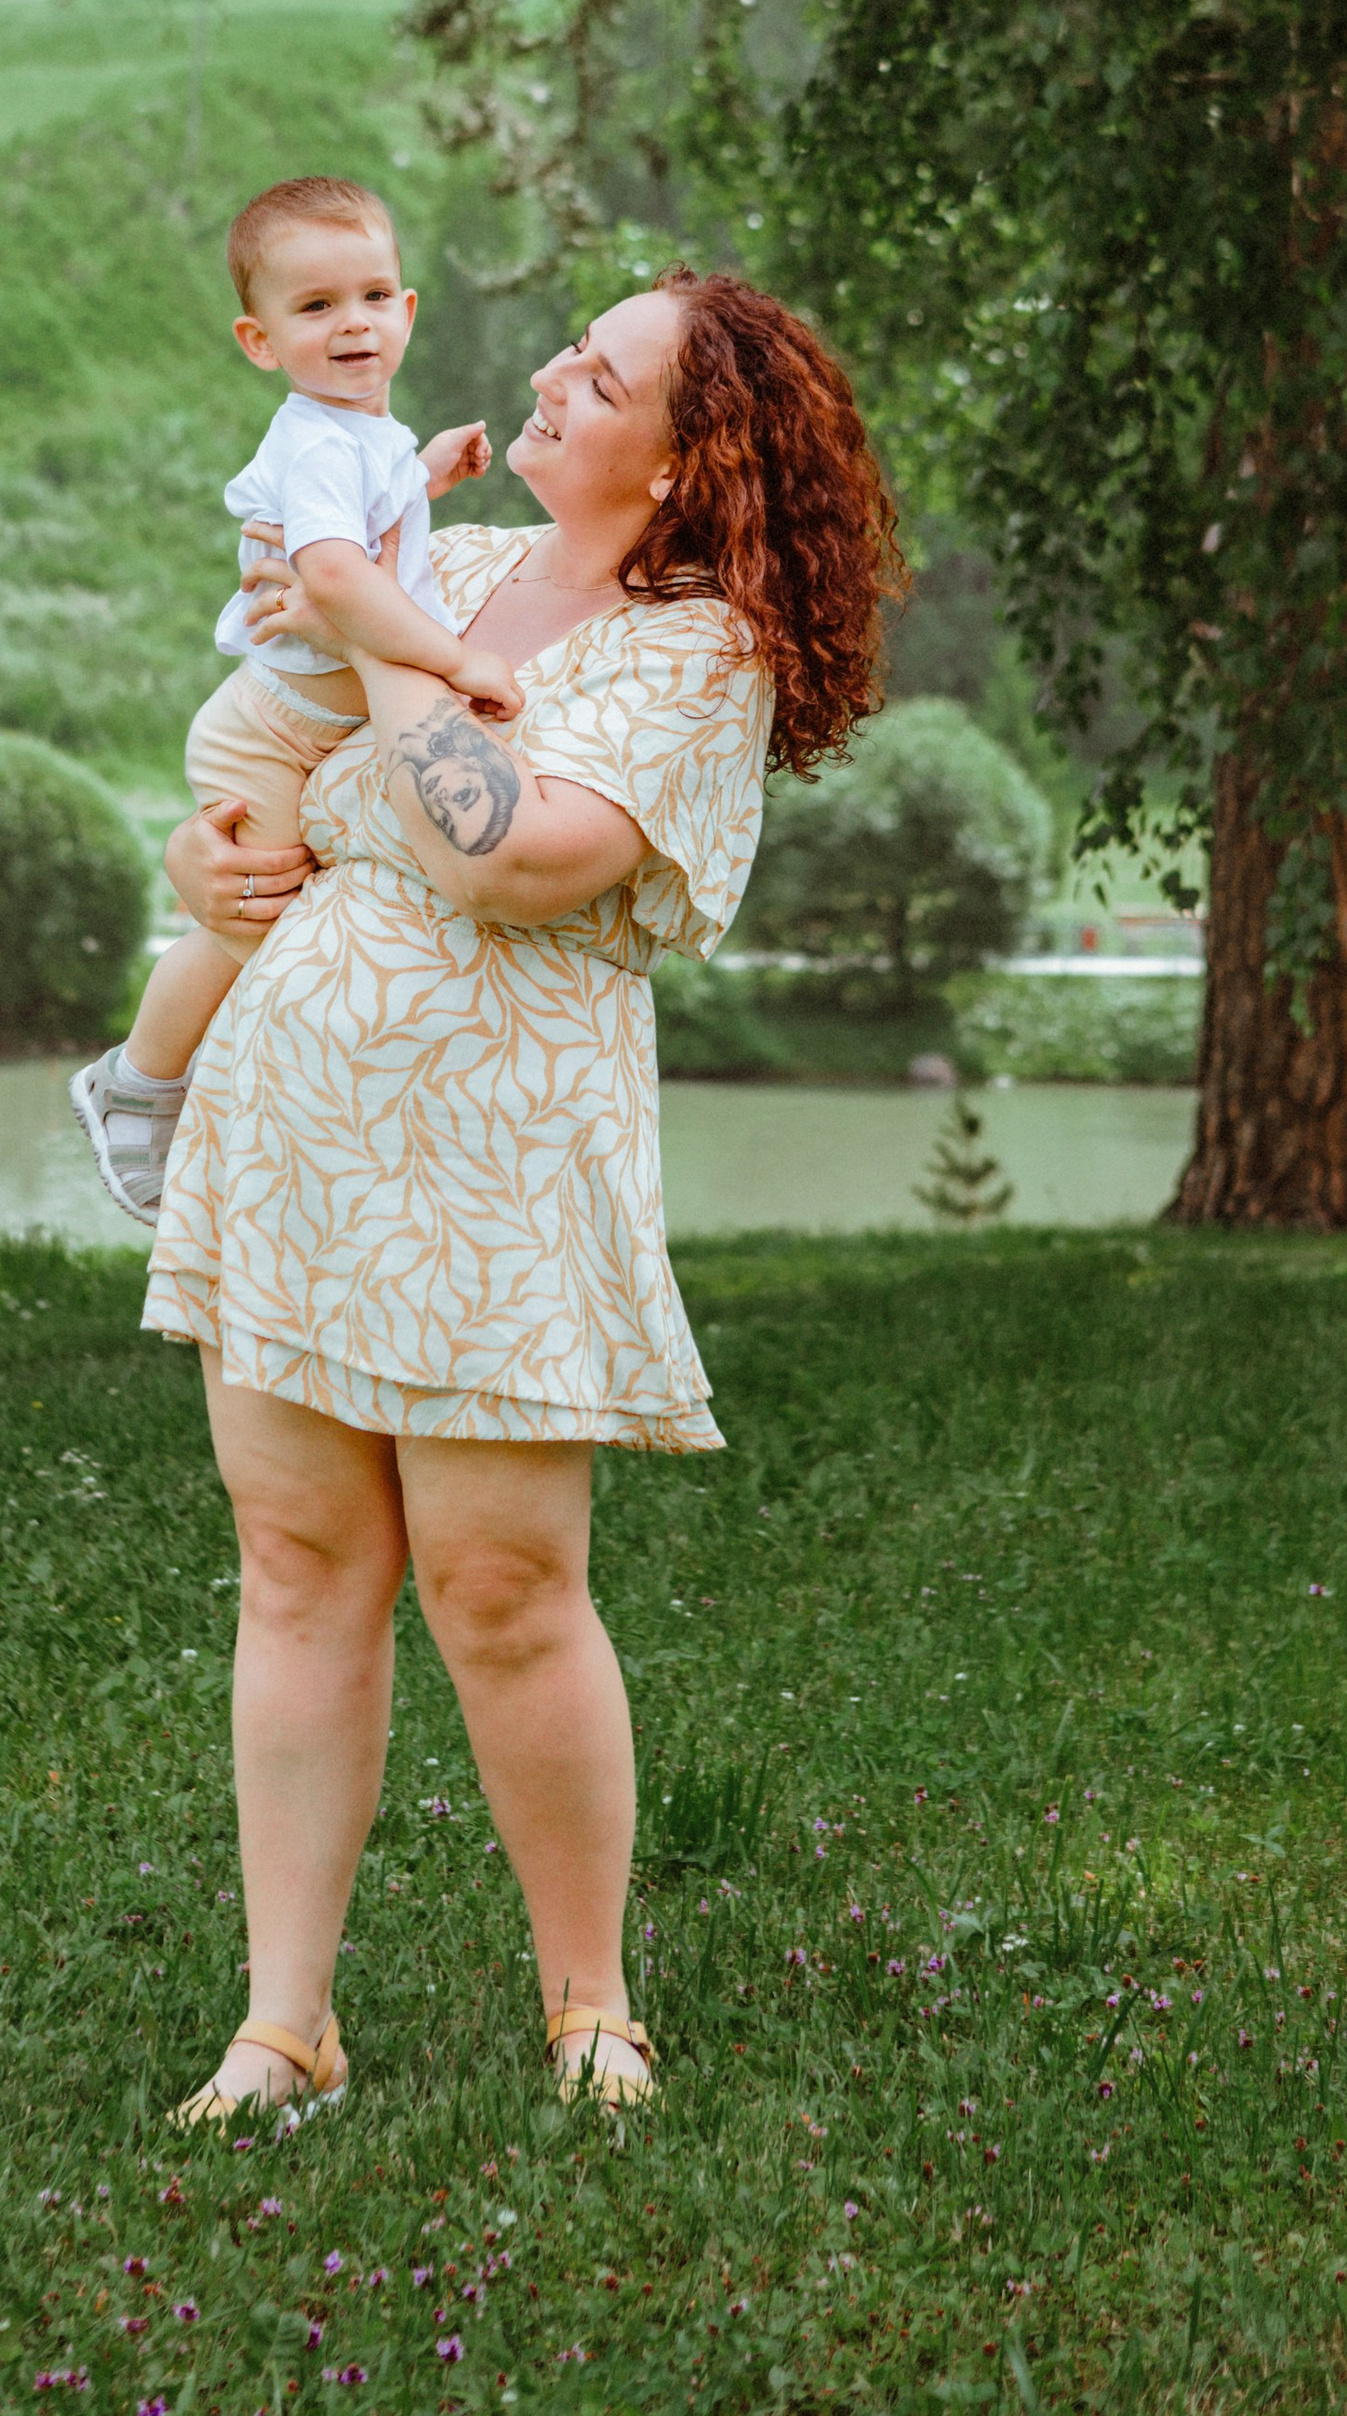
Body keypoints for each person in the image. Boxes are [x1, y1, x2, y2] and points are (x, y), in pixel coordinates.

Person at [138, 267, 901, 2123]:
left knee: (502, 1585)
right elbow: (279, 764)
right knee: (299, 1565)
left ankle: (590, 2006)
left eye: (604, 372)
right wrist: (207, 845)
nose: (552, 378)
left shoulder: (701, 647)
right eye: (569, 352)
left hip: (491, 1165)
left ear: (692, 449)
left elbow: (512, 853)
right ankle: (284, 2024)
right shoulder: (452, 569)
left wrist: (371, 624)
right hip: (296, 1131)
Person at [71, 176, 515, 1221]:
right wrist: (456, 660)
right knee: (258, 931)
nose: (351, 323)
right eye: (314, 308)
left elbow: (369, 520)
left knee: (296, 932)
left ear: (407, 313)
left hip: (309, 725)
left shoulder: (362, 433)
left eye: (372, 296)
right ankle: (135, 1081)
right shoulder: (315, 436)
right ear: (260, 340)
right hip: (270, 736)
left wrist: (426, 477)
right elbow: (336, 578)